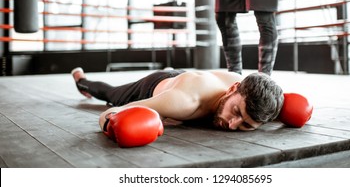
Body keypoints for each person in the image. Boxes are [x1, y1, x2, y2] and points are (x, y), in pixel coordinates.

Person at [71, 67, 284, 132]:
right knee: (110, 94)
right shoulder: (184, 102)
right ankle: (81, 79)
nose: (232, 124)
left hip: (188, 76)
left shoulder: (252, 94)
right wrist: (111, 124)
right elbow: (111, 112)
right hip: (156, 86)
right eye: (236, 112)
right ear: (232, 89)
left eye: (246, 125)